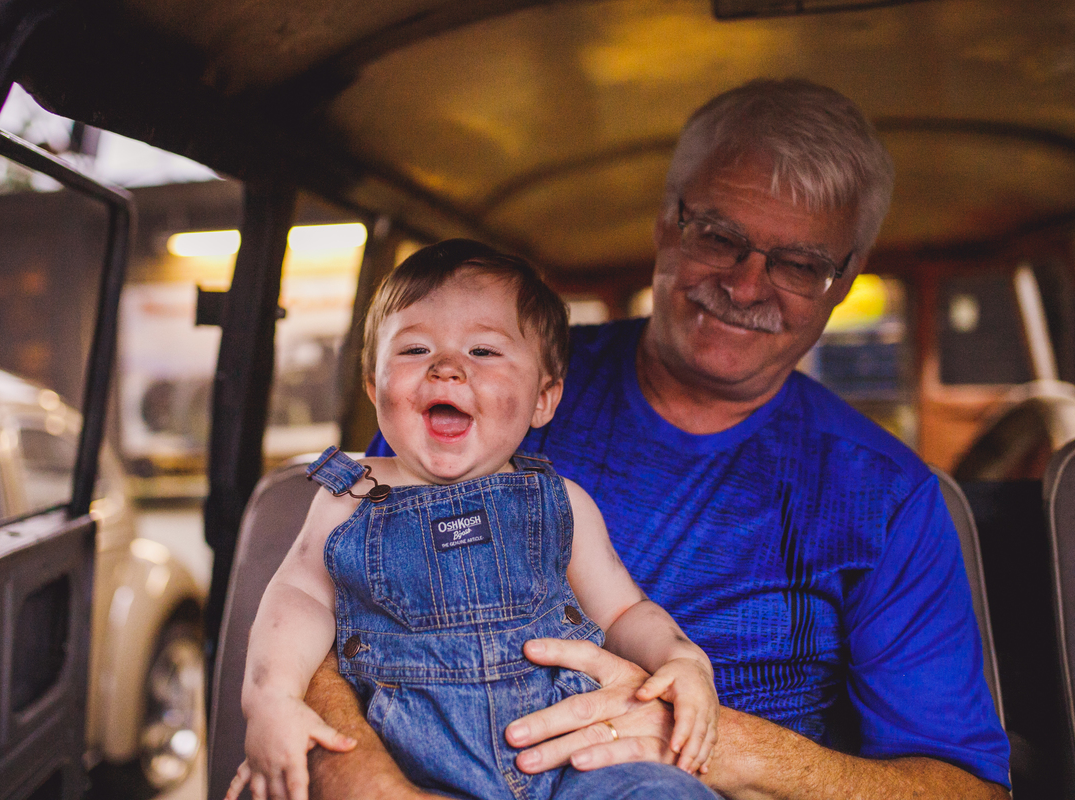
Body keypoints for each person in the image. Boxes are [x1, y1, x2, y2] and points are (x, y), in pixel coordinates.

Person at [256, 78, 1013, 800]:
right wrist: (359, 778)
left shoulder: (887, 496)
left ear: (844, 280)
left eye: (799, 263)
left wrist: (713, 743)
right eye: (720, 236)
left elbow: (964, 789)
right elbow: (331, 598)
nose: (747, 285)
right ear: (666, 223)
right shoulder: (483, 385)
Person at [226, 240, 722, 800]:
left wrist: (681, 659)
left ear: (543, 398)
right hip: (411, 769)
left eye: (484, 352)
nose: (447, 368)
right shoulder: (350, 498)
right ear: (373, 387)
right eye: (414, 349)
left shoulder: (560, 502)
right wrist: (271, 698)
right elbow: (298, 600)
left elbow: (625, 611)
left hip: (575, 763)